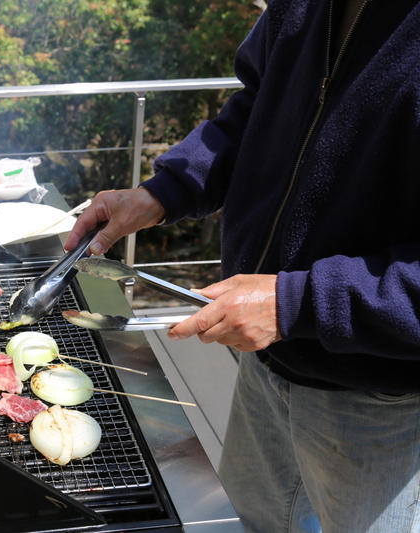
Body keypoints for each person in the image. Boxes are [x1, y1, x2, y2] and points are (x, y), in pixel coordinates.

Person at [64, 1, 420, 532]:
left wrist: (293, 303)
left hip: (378, 400)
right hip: (265, 364)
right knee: (253, 522)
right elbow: (257, 109)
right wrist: (163, 192)